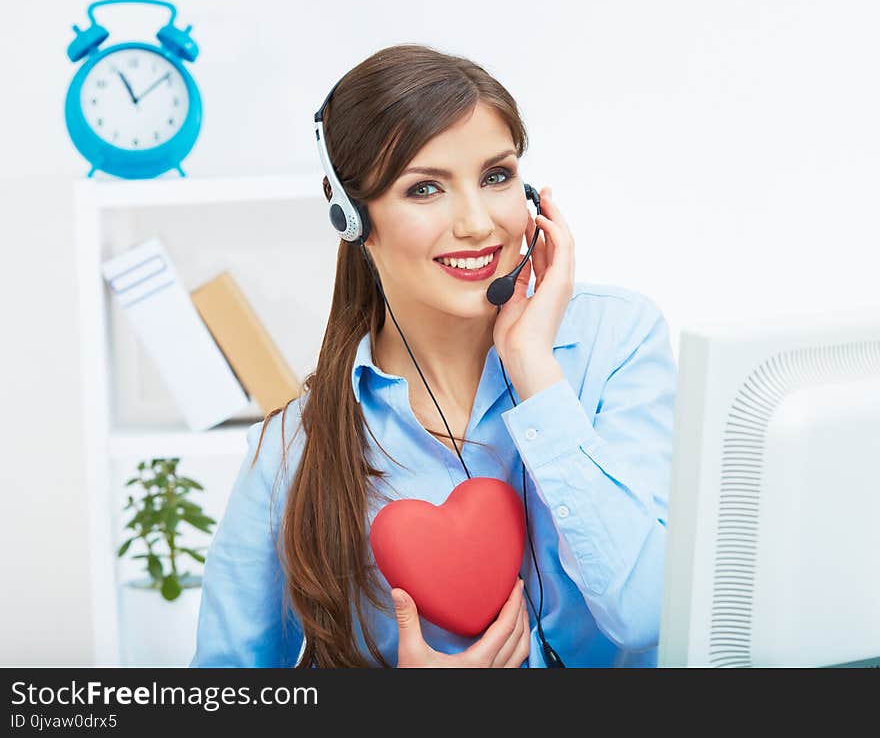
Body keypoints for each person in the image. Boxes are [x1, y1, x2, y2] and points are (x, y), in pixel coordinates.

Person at [190, 43, 676, 668]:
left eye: (496, 176)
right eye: (424, 189)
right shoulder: (295, 450)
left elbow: (646, 614)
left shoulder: (617, 342)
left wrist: (535, 373)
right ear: (352, 217)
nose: (477, 223)